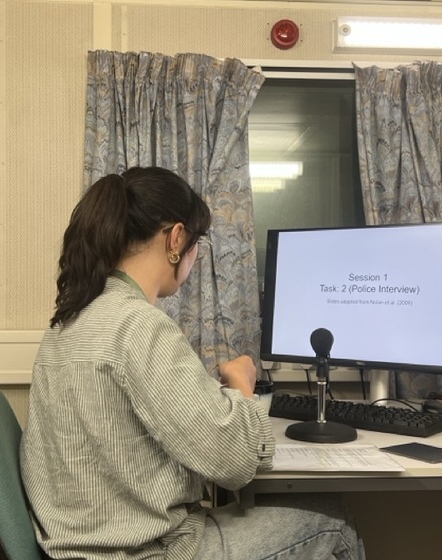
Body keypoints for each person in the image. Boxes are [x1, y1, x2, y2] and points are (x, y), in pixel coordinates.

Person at [19, 166, 364, 560]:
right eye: (198, 243)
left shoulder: (68, 322)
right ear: (177, 238)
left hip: (76, 547)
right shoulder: (141, 326)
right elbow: (237, 462)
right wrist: (241, 386)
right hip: (144, 553)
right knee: (333, 519)